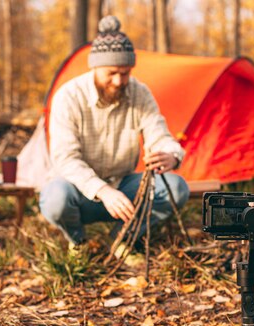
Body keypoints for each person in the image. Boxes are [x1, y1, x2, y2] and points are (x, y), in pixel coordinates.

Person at [39, 15, 189, 254]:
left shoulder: (139, 92)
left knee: (176, 187)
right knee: (55, 199)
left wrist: (170, 155)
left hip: (123, 187)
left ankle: (121, 240)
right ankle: (78, 244)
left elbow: (158, 132)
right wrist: (103, 191)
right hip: (77, 190)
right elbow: (65, 159)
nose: (119, 81)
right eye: (112, 73)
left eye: (126, 73)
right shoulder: (68, 96)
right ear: (95, 67)